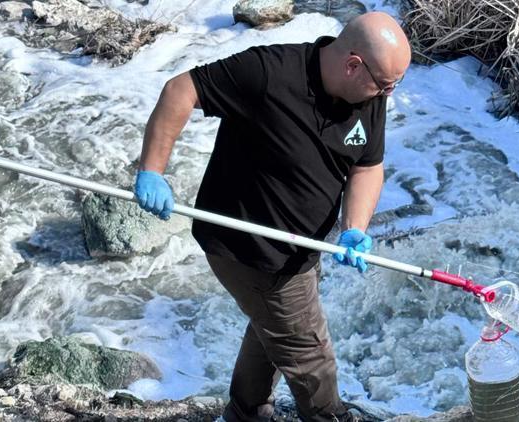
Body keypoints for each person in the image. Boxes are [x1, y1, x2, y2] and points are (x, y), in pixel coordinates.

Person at [133, 11, 412, 422]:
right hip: (250, 248)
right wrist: (152, 171)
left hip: (302, 247)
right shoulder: (268, 72)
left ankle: (245, 413)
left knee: (274, 331)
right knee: (310, 353)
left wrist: (354, 228)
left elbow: (367, 166)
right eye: (384, 85)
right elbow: (181, 90)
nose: (387, 95)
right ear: (353, 64)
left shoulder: (368, 94)